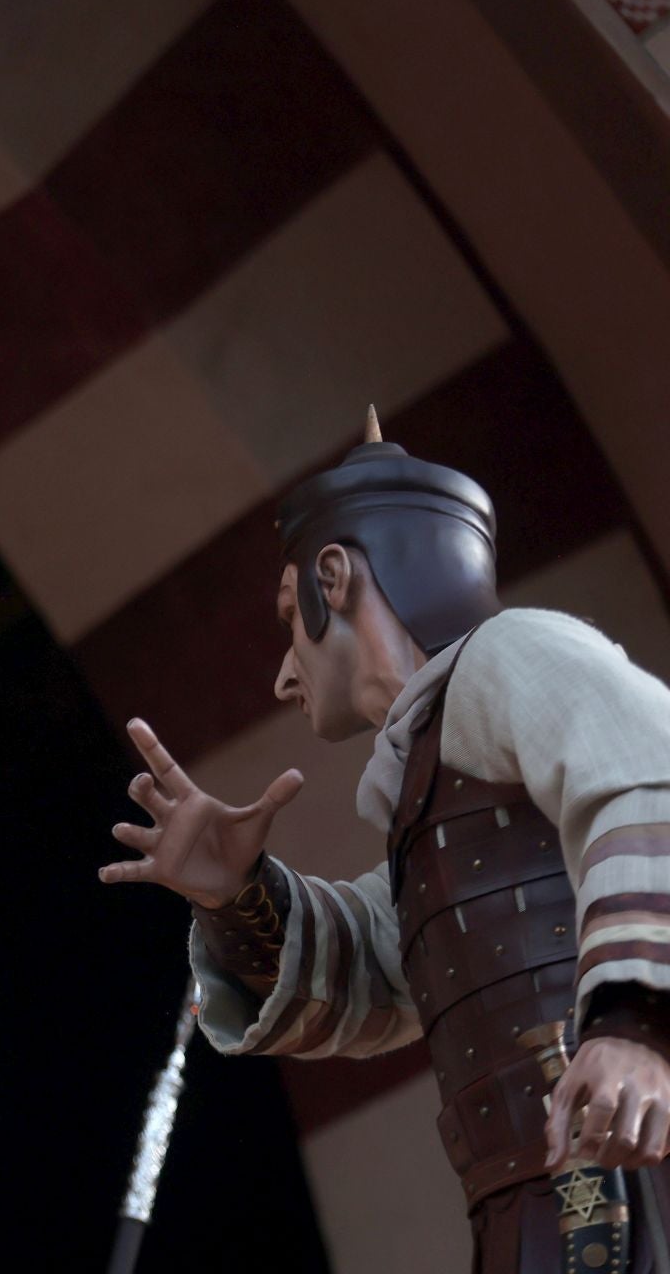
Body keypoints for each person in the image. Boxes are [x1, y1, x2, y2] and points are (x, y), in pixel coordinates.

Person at [100, 411, 670, 1269]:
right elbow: (371, 968)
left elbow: (649, 774)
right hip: (538, 1207)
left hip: (626, 1180)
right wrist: (239, 893)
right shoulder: (431, 798)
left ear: (336, 575)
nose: (285, 673)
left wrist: (636, 1026)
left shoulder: (510, 654)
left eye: (292, 618)